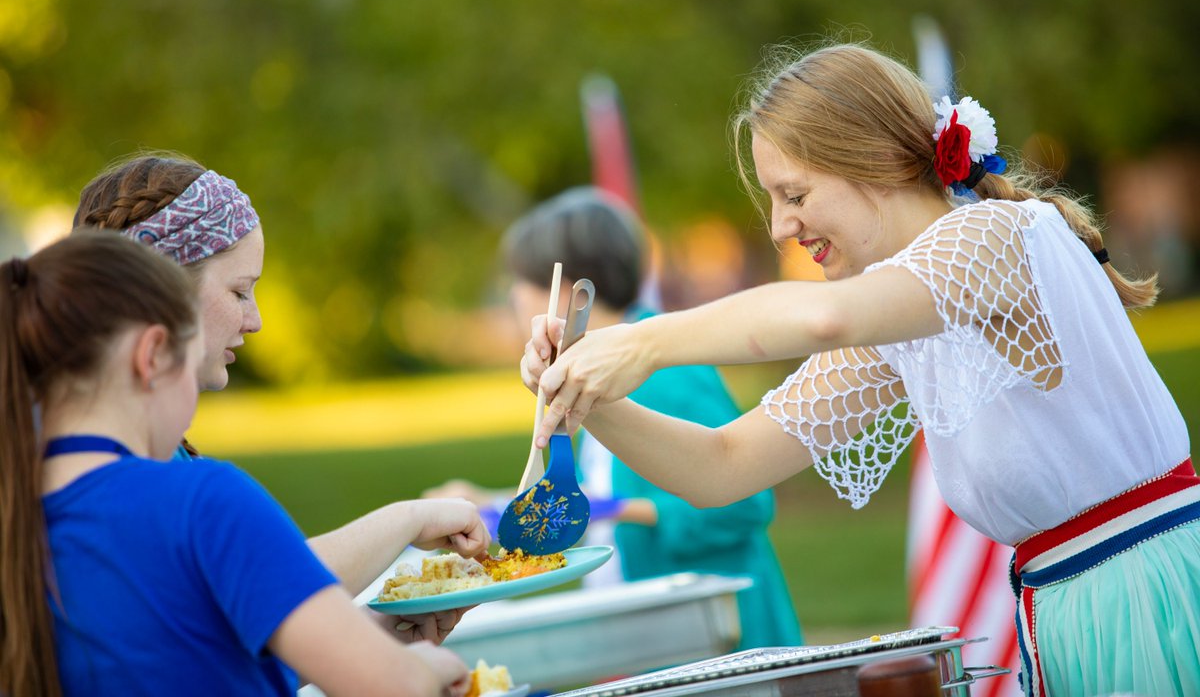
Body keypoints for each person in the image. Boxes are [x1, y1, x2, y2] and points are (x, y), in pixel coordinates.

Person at [519, 44, 1200, 697]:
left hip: (1146, 591)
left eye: (794, 194)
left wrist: (644, 342)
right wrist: (588, 394)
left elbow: (825, 319)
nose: (781, 228)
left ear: (873, 160)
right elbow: (723, 466)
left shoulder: (992, 238)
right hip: (1064, 610)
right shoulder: (901, 319)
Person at [0, 231, 469, 697]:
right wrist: (425, 667)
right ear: (151, 356)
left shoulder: (17, 521)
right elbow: (395, 686)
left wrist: (353, 641)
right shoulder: (203, 500)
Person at [73, 152, 488, 635]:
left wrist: (381, 636)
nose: (255, 320)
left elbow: (213, 643)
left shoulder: (119, 454)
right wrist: (410, 520)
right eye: (239, 291)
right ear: (166, 295)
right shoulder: (137, 476)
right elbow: (272, 576)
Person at [427, 187, 802, 650]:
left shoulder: (666, 371)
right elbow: (585, 497)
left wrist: (617, 510)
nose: (511, 294)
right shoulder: (589, 374)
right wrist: (488, 504)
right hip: (656, 635)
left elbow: (747, 505)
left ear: (561, 289)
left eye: (521, 281)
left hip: (726, 638)